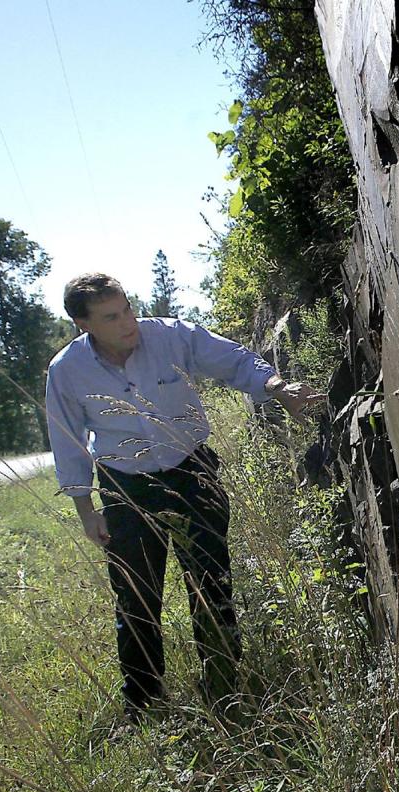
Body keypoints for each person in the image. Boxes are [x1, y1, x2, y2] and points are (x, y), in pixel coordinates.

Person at [45, 273, 321, 722]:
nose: (128, 322)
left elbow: (232, 360)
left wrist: (277, 388)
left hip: (192, 471)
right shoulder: (67, 370)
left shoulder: (171, 336)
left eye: (128, 308)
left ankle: (224, 689)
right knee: (136, 596)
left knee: (210, 582)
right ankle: (145, 704)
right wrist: (85, 507)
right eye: (112, 317)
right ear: (83, 324)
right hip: (125, 486)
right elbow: (67, 440)